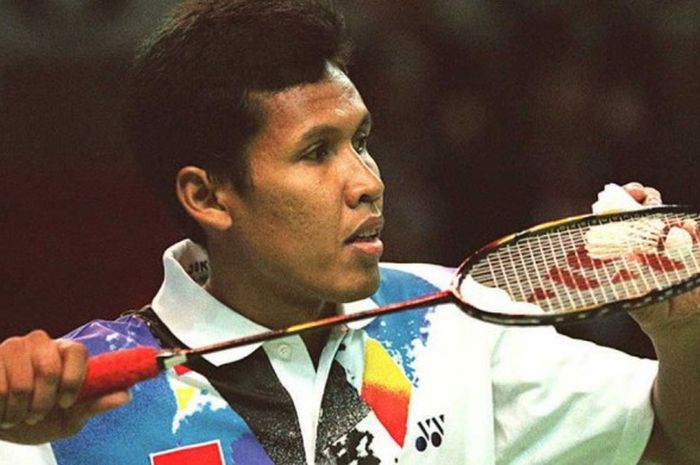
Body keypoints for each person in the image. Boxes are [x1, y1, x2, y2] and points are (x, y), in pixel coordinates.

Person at [1, 1, 698, 463]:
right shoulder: (71, 404)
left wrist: (684, 334)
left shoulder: (453, 323)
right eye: (315, 153)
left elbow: (672, 439)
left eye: (360, 141)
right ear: (207, 196)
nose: (367, 181)